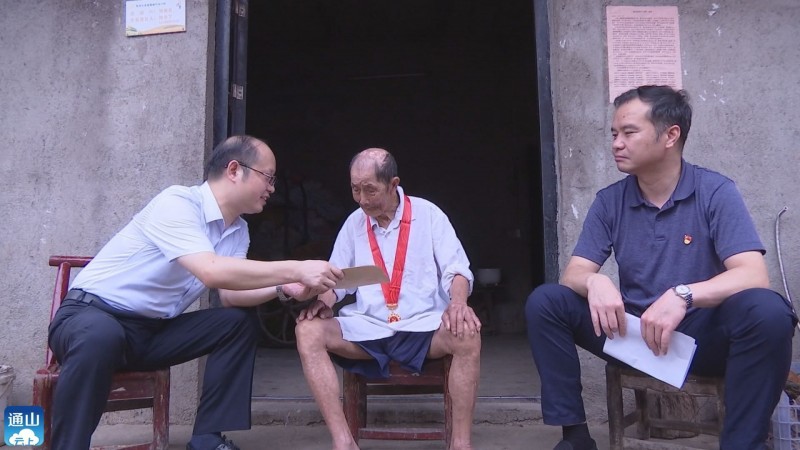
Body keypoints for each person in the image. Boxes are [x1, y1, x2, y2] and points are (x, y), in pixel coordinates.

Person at [525, 85, 797, 450]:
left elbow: (753, 275)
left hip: (701, 339)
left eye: (629, 132)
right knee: (547, 302)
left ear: (670, 135)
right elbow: (573, 273)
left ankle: (742, 444)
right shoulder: (610, 201)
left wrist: (684, 295)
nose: (616, 144)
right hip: (634, 336)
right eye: (614, 134)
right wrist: (595, 282)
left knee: (769, 311)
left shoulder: (714, 191)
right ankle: (575, 438)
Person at [48, 135, 343, 450]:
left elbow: (230, 294)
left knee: (236, 324)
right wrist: (296, 269)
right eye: (268, 177)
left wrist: (283, 288)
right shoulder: (177, 203)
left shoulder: (238, 230)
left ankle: (206, 439)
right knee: (102, 335)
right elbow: (210, 270)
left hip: (148, 332)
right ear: (234, 170)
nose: (272, 188)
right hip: (90, 317)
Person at [294, 148, 481, 450]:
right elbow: (337, 278)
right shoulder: (354, 223)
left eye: (370, 190)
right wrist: (324, 302)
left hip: (423, 328)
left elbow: (457, 270)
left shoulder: (428, 215)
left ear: (393, 184)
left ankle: (461, 444)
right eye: (355, 190)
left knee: (467, 333)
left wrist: (458, 303)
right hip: (368, 329)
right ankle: (343, 442)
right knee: (307, 331)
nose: (362, 199)